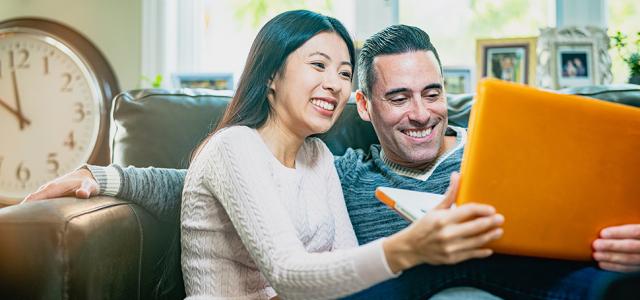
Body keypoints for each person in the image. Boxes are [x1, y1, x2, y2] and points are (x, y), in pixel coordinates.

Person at [24, 23, 640, 298]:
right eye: (399, 98)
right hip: (379, 289)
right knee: (436, 272)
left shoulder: (502, 155)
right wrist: (103, 174)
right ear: (365, 108)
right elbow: (209, 183)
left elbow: (590, 206)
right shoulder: (345, 170)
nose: (423, 113)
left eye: (433, 94)